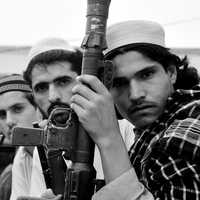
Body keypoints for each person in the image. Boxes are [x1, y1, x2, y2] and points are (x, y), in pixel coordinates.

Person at [69, 20, 200, 200]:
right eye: (119, 83)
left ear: (171, 72)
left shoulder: (183, 134)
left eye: (146, 75)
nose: (135, 94)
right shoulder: (152, 133)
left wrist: (109, 139)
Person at [22, 37, 135, 199]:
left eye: (63, 82)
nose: (53, 96)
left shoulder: (125, 130)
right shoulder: (46, 146)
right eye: (41, 88)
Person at [0, 74, 43, 200]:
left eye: (17, 109)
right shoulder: (21, 155)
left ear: (39, 109)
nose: (8, 121)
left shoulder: (64, 154)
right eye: (2, 114)